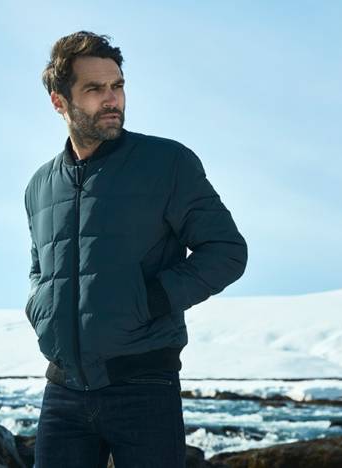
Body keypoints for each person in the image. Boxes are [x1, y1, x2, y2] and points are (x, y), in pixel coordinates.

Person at [24, 31, 248, 467]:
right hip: (63, 391)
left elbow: (225, 251)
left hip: (144, 387)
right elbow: (40, 268)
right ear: (59, 102)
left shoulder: (166, 163)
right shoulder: (40, 186)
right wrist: (40, 307)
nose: (112, 99)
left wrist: (151, 300)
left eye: (118, 85)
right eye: (94, 89)